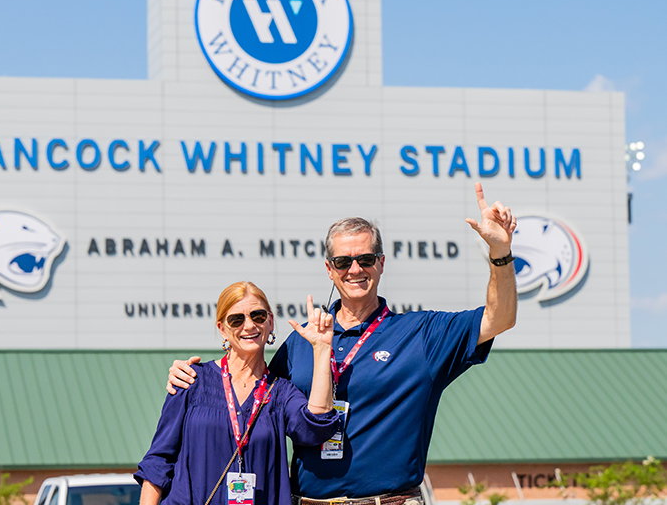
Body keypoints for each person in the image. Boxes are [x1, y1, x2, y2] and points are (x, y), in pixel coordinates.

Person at [167, 182, 518, 505]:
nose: (355, 269)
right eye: (343, 262)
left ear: (381, 263)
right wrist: (193, 376)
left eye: (365, 259)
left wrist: (500, 252)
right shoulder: (303, 342)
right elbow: (252, 399)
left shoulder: (421, 334)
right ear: (329, 269)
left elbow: (498, 318)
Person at [136, 281, 340, 505]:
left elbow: (316, 428)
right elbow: (158, 462)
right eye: (236, 319)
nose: (249, 325)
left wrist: (321, 349)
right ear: (222, 328)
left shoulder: (280, 392)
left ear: (270, 322)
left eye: (258, 316)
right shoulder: (191, 380)